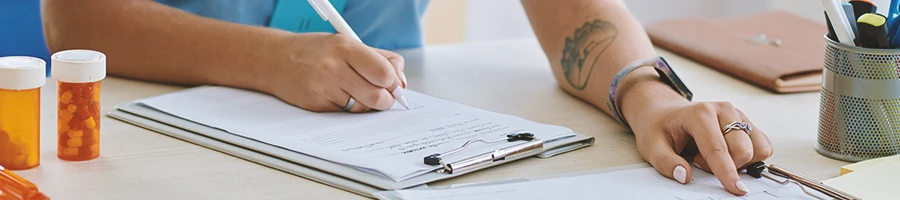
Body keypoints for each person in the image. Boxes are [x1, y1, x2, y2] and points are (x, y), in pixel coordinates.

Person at [42, 0, 772, 196]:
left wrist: (645, 96)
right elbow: (78, 20)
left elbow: (572, 10)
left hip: (394, 152)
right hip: (160, 152)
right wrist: (270, 59)